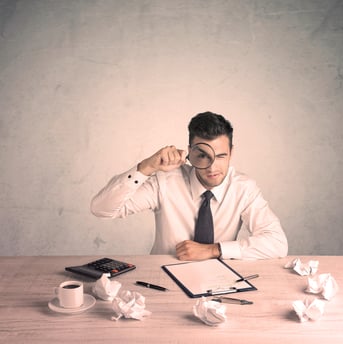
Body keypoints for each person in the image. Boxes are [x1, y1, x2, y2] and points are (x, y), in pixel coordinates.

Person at [91, 111, 288, 261]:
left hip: (220, 278)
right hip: (163, 276)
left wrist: (214, 250)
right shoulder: (165, 182)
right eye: (202, 155)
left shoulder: (243, 188)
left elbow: (277, 243)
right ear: (190, 152)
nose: (212, 166)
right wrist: (147, 167)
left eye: (221, 156)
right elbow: (101, 209)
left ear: (231, 153)